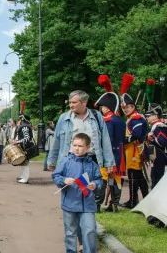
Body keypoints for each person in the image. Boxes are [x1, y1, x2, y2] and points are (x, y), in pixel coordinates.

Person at [51, 133, 102, 253]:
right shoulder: (66, 161)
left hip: (88, 204)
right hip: (70, 203)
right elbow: (56, 175)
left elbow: (99, 179)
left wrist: (95, 185)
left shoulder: (92, 164)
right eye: (75, 145)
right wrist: (63, 180)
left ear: (88, 147)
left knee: (90, 230)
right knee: (70, 230)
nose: (77, 148)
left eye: (80, 146)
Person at [48, 90, 115, 173]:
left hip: (93, 160)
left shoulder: (97, 116)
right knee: (73, 185)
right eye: (70, 102)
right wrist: (52, 161)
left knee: (93, 185)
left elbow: (105, 140)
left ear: (84, 102)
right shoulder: (64, 118)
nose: (71, 105)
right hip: (71, 160)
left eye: (74, 102)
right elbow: (56, 141)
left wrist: (109, 162)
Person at [93, 75, 126, 212]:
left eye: (102, 107)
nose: (101, 109)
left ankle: (97, 205)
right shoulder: (120, 120)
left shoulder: (107, 121)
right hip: (118, 153)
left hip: (108, 154)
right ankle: (115, 204)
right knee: (115, 179)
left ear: (107, 108)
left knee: (103, 179)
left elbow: (107, 139)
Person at [119, 76, 149, 208]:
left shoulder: (135, 118)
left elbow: (135, 135)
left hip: (135, 150)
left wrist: (122, 141)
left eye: (127, 107)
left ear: (132, 107)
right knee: (138, 176)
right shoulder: (131, 117)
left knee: (133, 176)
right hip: (132, 150)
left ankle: (133, 201)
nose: (125, 110)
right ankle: (144, 198)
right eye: (124, 108)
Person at [146, 103, 167, 189]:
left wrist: (152, 139)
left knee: (157, 181)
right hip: (156, 158)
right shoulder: (154, 126)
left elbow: (163, 142)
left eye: (149, 115)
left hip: (160, 158)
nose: (147, 117)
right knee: (154, 178)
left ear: (155, 116)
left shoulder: (158, 126)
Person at [11, 115, 35, 184]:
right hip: (24, 146)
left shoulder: (24, 127)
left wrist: (17, 142)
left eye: (19, 119)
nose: (18, 121)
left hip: (26, 147)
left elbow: (27, 138)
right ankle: (23, 176)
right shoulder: (25, 126)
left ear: (22, 120)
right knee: (23, 162)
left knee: (25, 163)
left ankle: (25, 178)